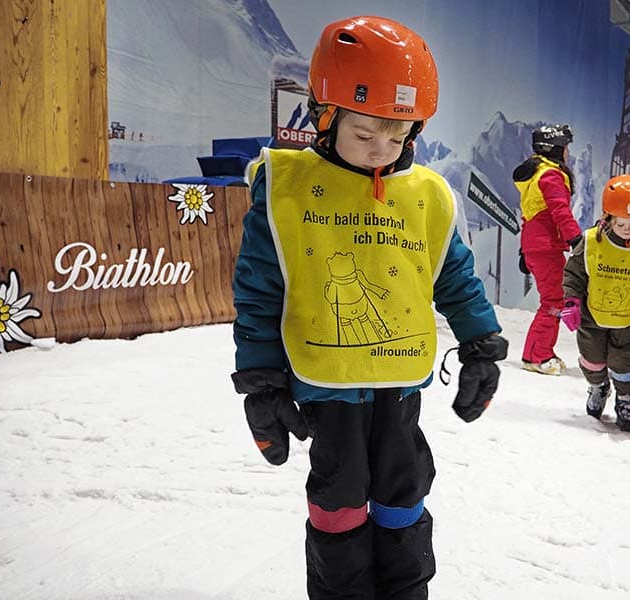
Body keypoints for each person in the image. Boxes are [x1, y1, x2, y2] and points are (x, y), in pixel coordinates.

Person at [231, 16, 508, 599]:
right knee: (338, 500)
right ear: (325, 116)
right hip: (326, 387)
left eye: (400, 135)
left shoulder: (425, 195)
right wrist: (261, 383)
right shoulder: (286, 187)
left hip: (399, 382)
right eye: (365, 134)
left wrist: (481, 344)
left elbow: (452, 273)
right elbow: (259, 289)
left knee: (403, 495)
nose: (383, 150)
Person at [561, 174, 630, 431]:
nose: (627, 229)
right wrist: (572, 301)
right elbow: (574, 273)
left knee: (624, 362)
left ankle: (626, 400)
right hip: (592, 316)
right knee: (592, 359)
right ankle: (598, 387)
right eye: (621, 224)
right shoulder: (590, 242)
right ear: (608, 217)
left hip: (629, 319)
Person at [513, 124, 582, 375]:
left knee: (554, 299)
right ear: (555, 148)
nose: (567, 153)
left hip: (537, 246)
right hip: (545, 247)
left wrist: (524, 250)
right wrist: (575, 238)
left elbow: (528, 215)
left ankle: (540, 351)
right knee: (553, 301)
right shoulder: (551, 175)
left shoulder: (536, 174)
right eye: (565, 147)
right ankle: (537, 356)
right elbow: (559, 210)